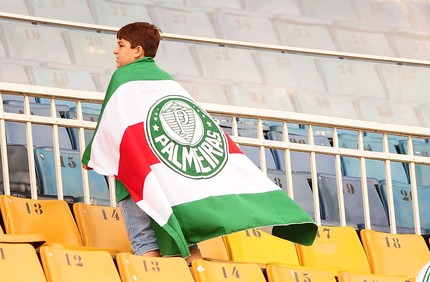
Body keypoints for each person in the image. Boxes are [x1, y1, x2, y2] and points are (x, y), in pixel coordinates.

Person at [81, 22, 317, 263]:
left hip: (141, 170)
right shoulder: (167, 80)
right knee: (183, 238)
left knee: (145, 241)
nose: (115, 51)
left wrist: (90, 156)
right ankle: (196, 281)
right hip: (170, 172)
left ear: (138, 50)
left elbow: (111, 122)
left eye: (120, 45)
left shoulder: (123, 77)